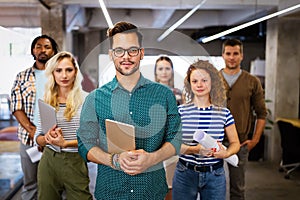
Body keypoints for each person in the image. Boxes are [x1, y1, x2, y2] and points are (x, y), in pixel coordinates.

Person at [76, 21, 182, 200]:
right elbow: (84, 143)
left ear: (141, 53)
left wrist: (153, 159)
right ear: (111, 55)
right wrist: (113, 160)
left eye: (132, 50)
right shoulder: (95, 98)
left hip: (151, 191)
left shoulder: (164, 95)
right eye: (119, 50)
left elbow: (176, 138)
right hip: (110, 192)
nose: (126, 56)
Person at [172, 60, 240, 200]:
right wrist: (195, 150)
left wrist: (226, 153)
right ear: (190, 84)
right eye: (195, 81)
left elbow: (235, 143)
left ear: (212, 82)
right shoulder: (180, 112)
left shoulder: (224, 113)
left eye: (204, 80)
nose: (199, 84)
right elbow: (172, 145)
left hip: (215, 175)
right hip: (185, 173)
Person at [34, 51, 92, 200]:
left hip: (75, 160)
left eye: (69, 70)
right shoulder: (46, 99)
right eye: (58, 70)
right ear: (52, 73)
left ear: (75, 72)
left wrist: (65, 143)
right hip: (49, 160)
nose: (64, 75)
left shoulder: (87, 100)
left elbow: (91, 139)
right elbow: (38, 137)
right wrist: (46, 138)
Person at [10, 35, 58, 200]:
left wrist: (49, 136)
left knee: (57, 184)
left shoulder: (61, 75)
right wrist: (33, 132)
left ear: (53, 51)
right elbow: (16, 107)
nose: (42, 50)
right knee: (31, 184)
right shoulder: (22, 77)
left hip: (57, 139)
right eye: (38, 46)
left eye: (47, 46)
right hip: (28, 139)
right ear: (33, 50)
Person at [220, 39, 267, 200]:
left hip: (240, 142)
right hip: (214, 142)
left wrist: (255, 140)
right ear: (223, 55)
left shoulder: (252, 82)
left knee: (237, 189)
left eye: (235, 53)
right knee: (212, 188)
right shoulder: (212, 79)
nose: (232, 57)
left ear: (241, 56)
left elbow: (262, 113)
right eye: (228, 53)